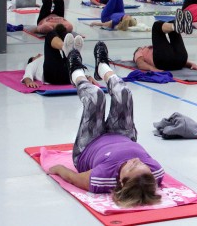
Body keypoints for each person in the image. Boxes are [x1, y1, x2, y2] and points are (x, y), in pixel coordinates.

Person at [48, 43, 165, 206]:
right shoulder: (156, 172)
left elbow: (72, 178)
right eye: (141, 164)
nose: (135, 160)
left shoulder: (102, 178)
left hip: (89, 144)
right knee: (123, 93)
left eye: (131, 168)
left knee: (96, 96)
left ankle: (75, 70)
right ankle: (102, 66)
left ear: (121, 182)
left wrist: (56, 169)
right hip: (122, 135)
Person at [133, 13, 197, 72]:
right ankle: (175, 26)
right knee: (156, 26)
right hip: (164, 62)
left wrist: (191, 64)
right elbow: (140, 63)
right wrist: (152, 69)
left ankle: (175, 26)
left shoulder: (154, 49)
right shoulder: (139, 51)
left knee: (172, 22)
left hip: (180, 61)